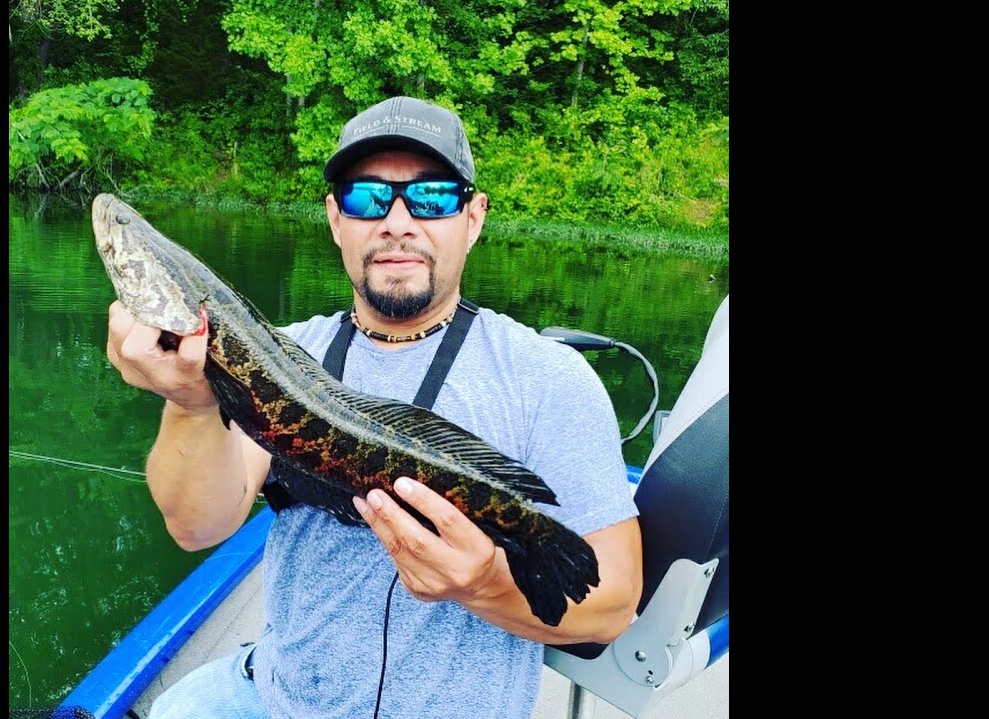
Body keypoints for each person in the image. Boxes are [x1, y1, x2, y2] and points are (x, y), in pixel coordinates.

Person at [106, 95, 642, 719]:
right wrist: (190, 400)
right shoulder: (287, 355)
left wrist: (487, 583)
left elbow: (614, 603)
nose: (397, 221)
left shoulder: (549, 379)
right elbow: (197, 527)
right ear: (336, 218)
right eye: (367, 197)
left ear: (473, 217)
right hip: (270, 697)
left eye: (433, 197)